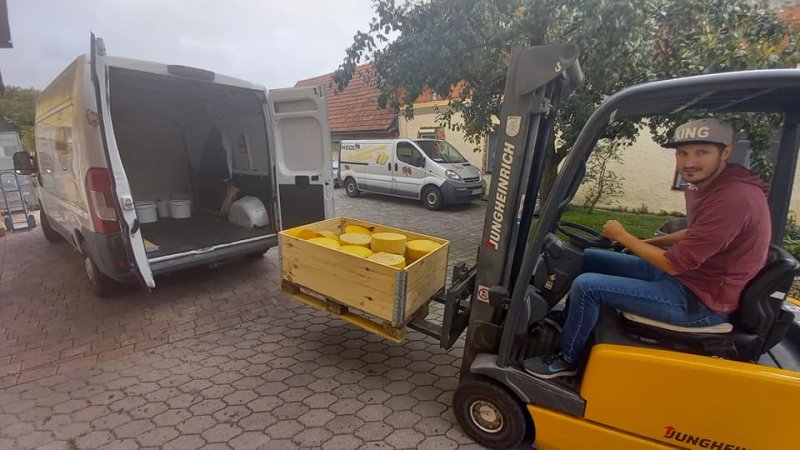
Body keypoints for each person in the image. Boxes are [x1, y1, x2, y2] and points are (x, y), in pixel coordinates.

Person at [524, 118, 772, 379]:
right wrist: (644, 244)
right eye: (683, 153)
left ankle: (567, 358)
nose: (689, 162)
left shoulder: (733, 198)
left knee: (587, 286)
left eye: (702, 152)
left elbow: (673, 264)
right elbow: (696, 232)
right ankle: (570, 323)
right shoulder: (715, 185)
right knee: (588, 259)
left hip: (698, 302)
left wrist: (624, 236)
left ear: (727, 151)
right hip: (689, 279)